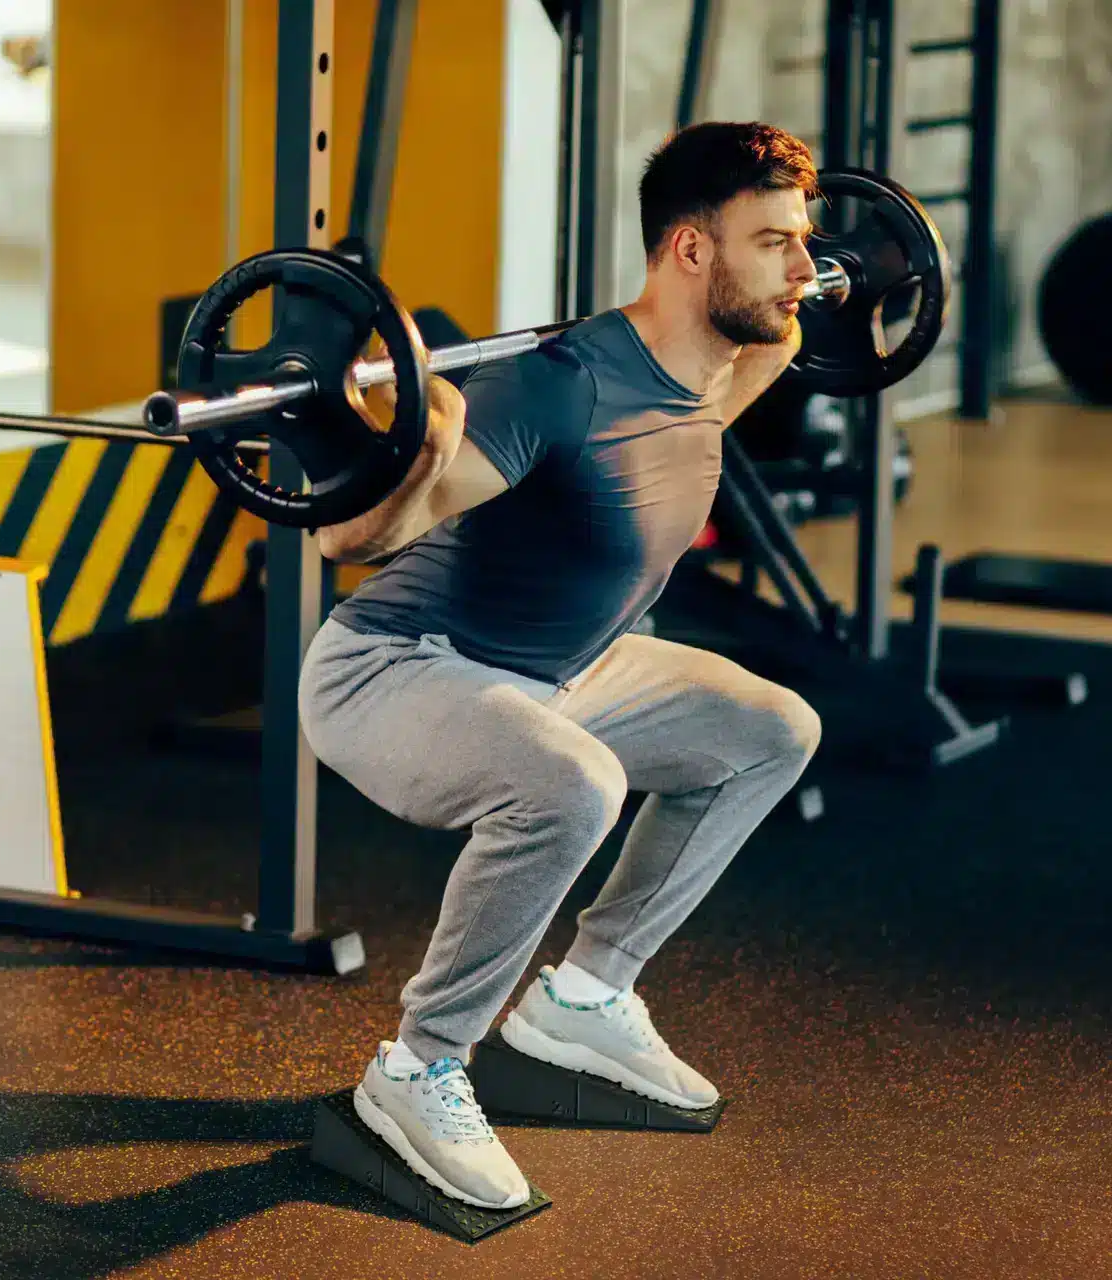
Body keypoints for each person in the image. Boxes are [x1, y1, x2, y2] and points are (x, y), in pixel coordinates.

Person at [299, 121, 826, 1210]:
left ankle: (584, 996)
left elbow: (787, 334)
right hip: (397, 668)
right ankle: (419, 1065)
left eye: (808, 240)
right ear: (690, 250)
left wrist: (823, 283)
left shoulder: (721, 369)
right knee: (571, 783)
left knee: (771, 731)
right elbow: (351, 545)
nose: (807, 270)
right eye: (775, 242)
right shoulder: (559, 388)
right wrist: (425, 444)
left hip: (564, 668)